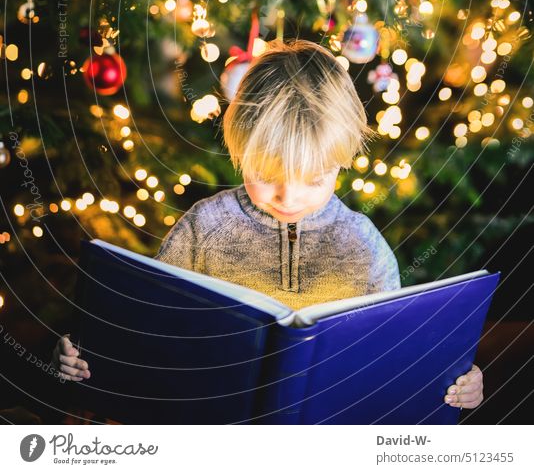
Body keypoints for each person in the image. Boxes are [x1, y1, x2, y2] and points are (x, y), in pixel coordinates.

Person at [53, 39, 484, 410]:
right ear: (239, 149)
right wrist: (80, 358)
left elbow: (397, 360)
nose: (289, 197)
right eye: (266, 175)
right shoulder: (203, 228)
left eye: (315, 179)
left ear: (342, 163)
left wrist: (459, 384)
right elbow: (142, 334)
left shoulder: (362, 245)